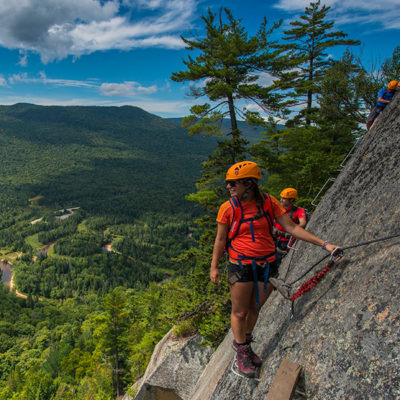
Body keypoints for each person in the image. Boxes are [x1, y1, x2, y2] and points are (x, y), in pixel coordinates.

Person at [210, 161, 339, 378]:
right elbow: (220, 239)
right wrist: (214, 267)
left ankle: (246, 344)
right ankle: (241, 351)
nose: (228, 187)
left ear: (249, 183)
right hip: (240, 265)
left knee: (255, 308)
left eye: (233, 183)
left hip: (267, 263)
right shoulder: (228, 208)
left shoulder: (269, 203)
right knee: (240, 311)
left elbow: (291, 227)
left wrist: (324, 244)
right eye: (228, 183)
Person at [273, 188, 306, 265]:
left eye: (284, 199)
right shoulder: (277, 208)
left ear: (291, 200)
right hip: (274, 237)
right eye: (281, 198)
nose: (281, 200)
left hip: (285, 241)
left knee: (278, 259)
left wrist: (292, 229)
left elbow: (303, 223)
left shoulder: (299, 211)